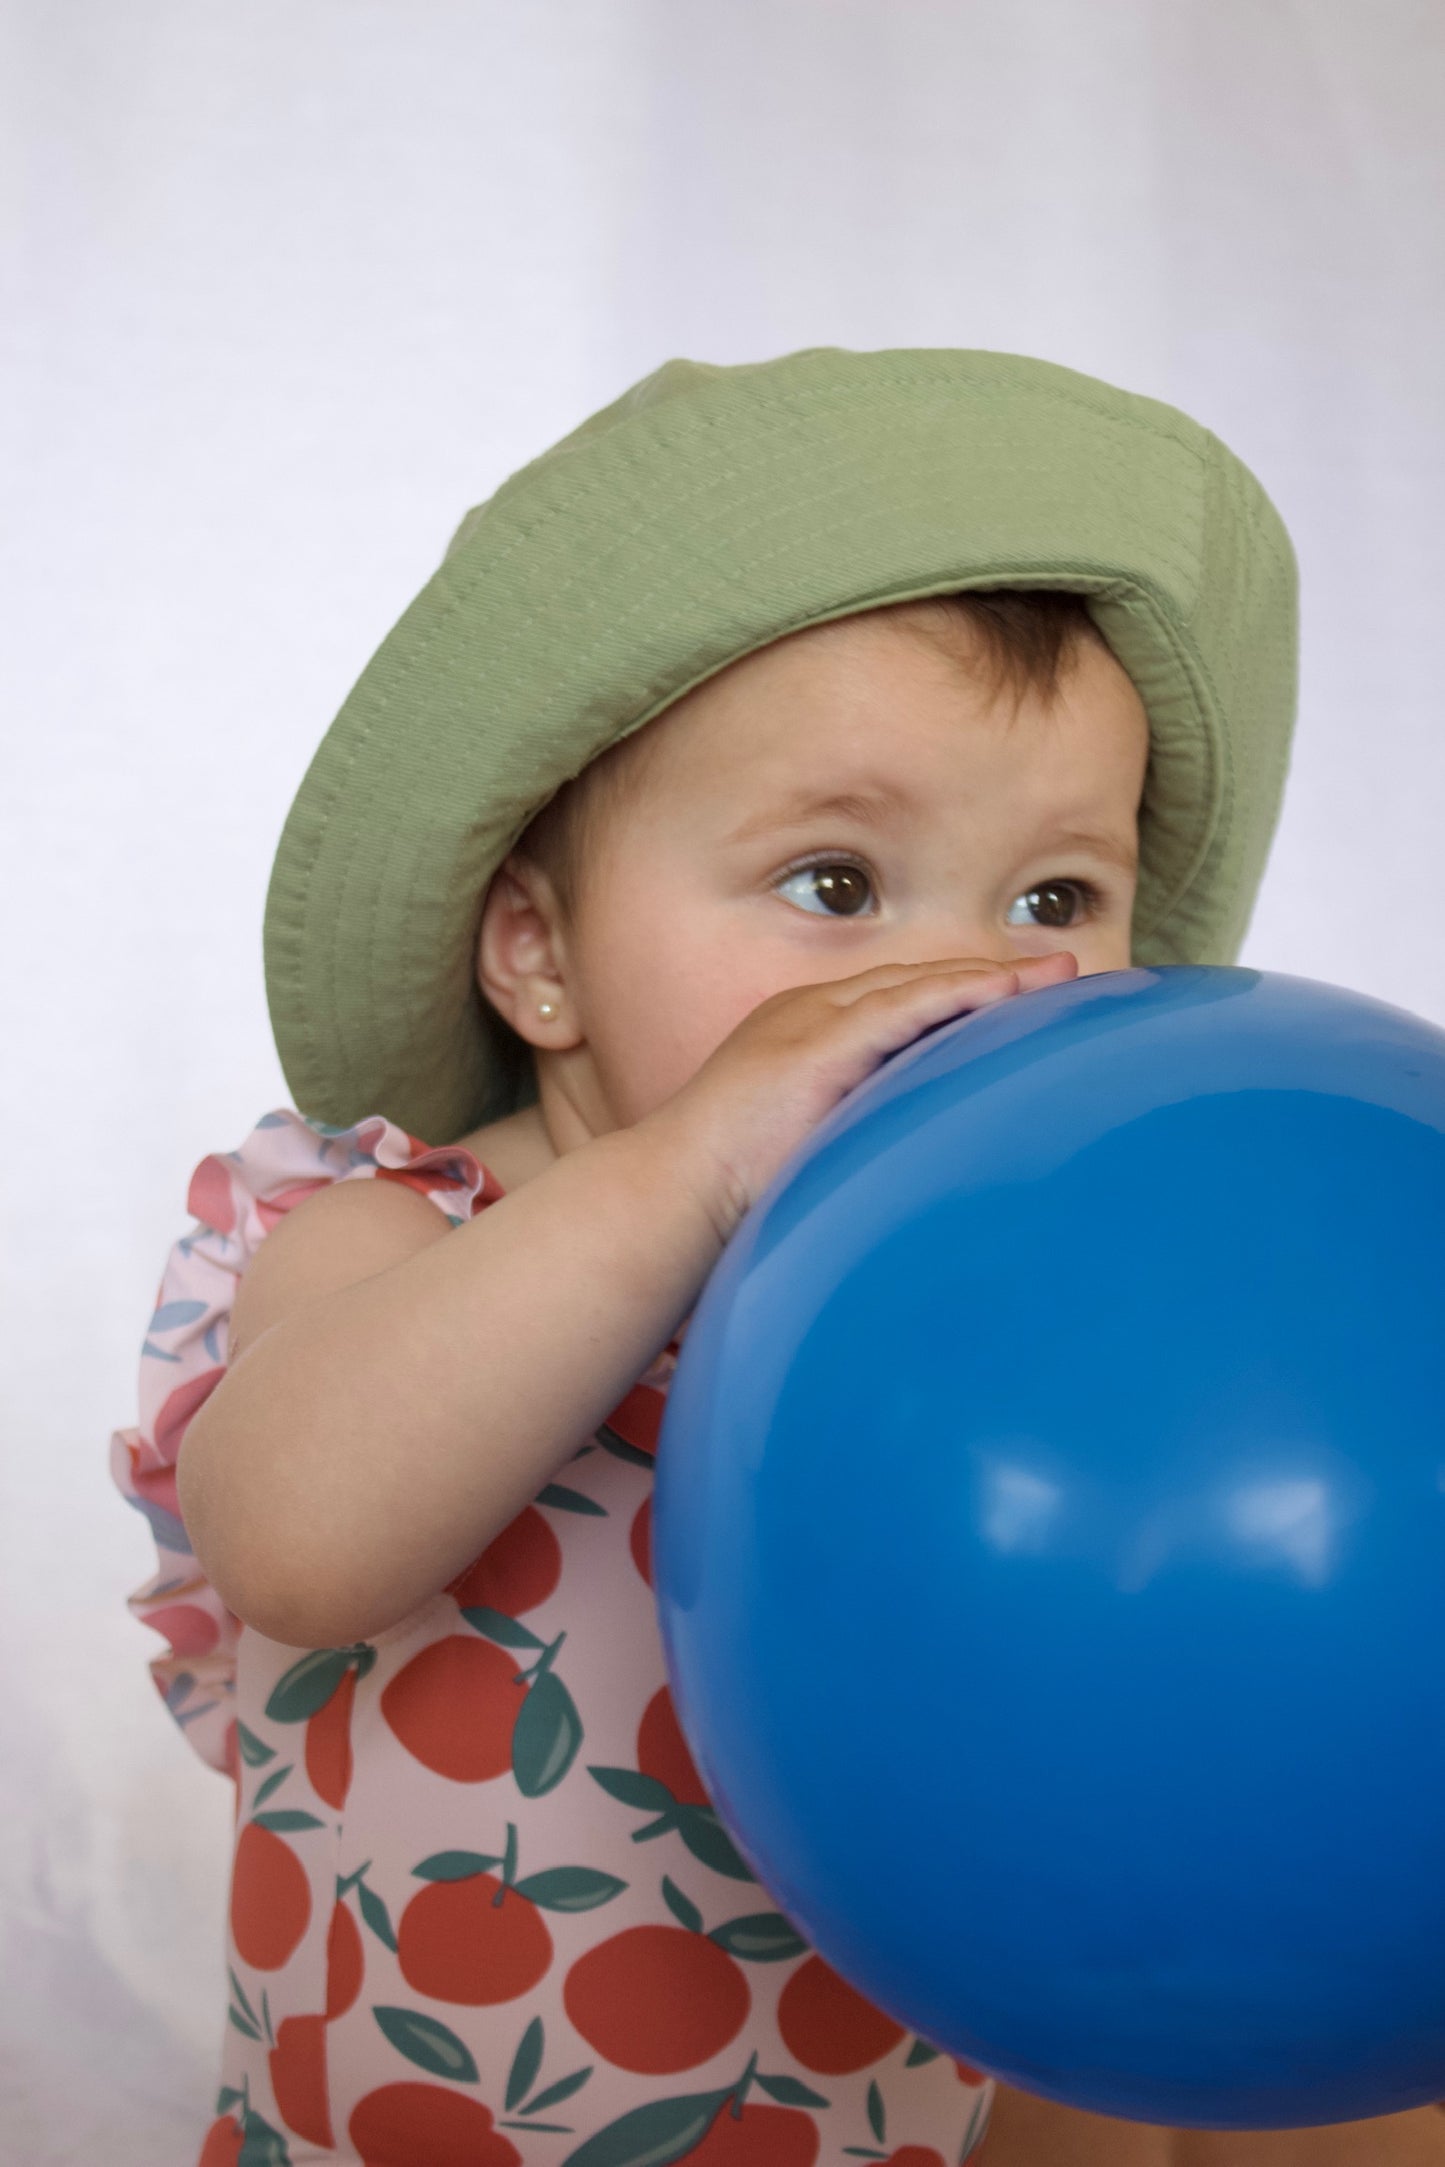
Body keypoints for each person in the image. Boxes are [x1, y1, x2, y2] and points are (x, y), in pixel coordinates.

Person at [111, 346, 1434, 2167]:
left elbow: (1085, 1789)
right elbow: (296, 1546)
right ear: (538, 956)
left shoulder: (993, 1335)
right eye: (834, 884)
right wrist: (686, 1173)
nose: (962, 978)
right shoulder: (387, 1232)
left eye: (1054, 899)